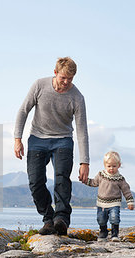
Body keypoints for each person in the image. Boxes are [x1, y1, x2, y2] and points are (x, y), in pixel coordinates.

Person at [14, 57, 90, 235]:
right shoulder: (40, 85)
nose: (66, 82)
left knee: (62, 179)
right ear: (55, 73)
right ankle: (48, 219)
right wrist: (17, 139)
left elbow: (82, 130)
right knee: (35, 182)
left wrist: (84, 162)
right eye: (63, 78)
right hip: (37, 139)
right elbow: (23, 110)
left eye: (70, 79)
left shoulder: (77, 97)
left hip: (63, 140)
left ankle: (61, 219)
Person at [84, 151, 134, 241]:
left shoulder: (120, 179)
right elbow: (93, 183)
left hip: (114, 203)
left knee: (114, 218)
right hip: (101, 203)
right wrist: (85, 180)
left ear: (119, 165)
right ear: (105, 165)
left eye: (114, 166)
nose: (111, 168)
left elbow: (126, 190)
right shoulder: (101, 175)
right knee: (101, 219)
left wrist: (130, 202)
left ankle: (115, 234)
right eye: (109, 166)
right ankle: (103, 232)